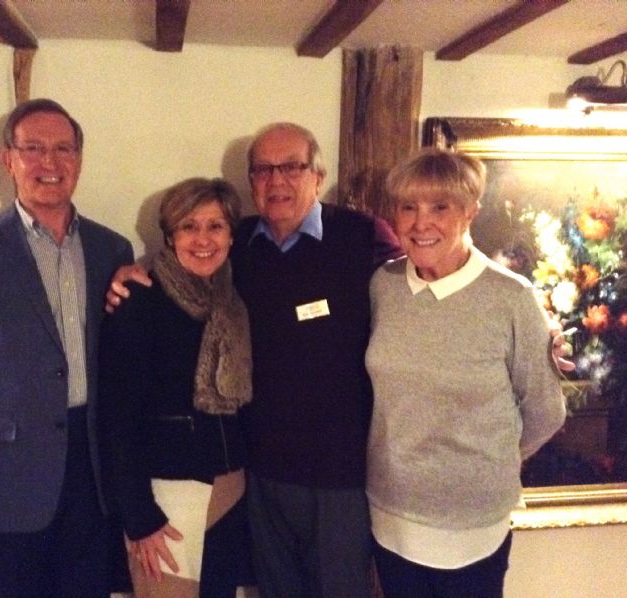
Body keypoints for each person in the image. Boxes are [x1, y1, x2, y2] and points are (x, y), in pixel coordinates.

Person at [109, 122, 403, 598]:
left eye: (291, 166)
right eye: (263, 170)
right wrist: (132, 275)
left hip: (341, 476)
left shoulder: (362, 237)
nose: (277, 180)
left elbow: (425, 287)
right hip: (261, 475)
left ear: (318, 173)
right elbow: (184, 262)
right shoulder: (237, 246)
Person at [0, 98, 134, 597]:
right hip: (6, 488)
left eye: (63, 149)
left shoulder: (112, 249)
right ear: (9, 160)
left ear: (79, 160)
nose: (50, 163)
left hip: (94, 476)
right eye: (34, 149)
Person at [365, 148, 567, 598]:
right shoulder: (384, 285)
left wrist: (490, 462)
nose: (422, 223)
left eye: (441, 207)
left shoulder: (510, 298)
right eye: (408, 207)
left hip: (473, 524)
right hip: (391, 513)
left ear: (470, 213)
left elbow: (546, 411)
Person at [99, 177, 254, 598]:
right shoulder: (139, 297)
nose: (203, 239)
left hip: (228, 489)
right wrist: (139, 517)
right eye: (189, 227)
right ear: (169, 236)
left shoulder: (232, 298)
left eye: (215, 226)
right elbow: (117, 417)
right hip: (167, 495)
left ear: (230, 234)